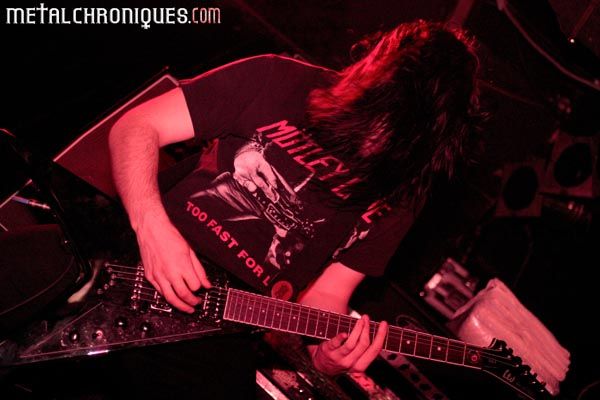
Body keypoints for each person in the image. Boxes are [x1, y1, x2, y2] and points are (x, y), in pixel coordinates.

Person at [108, 19, 482, 398]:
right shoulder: (279, 79)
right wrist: (153, 228)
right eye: (385, 117)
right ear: (375, 77)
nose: (377, 141)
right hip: (137, 259)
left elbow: (328, 294)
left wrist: (325, 355)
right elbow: (136, 126)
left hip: (225, 326)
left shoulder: (406, 188)